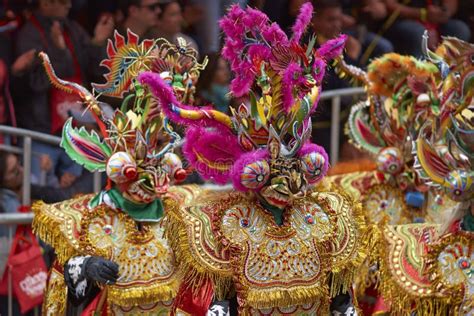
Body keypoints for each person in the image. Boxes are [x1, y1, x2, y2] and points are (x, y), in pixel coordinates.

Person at [141, 3, 369, 314]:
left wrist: (344, 308)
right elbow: (222, 296)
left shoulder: (327, 218)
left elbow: (340, 296)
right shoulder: (225, 224)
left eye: (296, 170)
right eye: (269, 172)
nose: (286, 183)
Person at [11, 0, 114, 187]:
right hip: (42, 130)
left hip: (75, 127)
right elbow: (37, 83)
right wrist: (58, 52)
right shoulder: (28, 35)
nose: (69, 5)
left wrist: (97, 42)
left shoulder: (73, 29)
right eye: (62, 1)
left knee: (81, 191)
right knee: (42, 192)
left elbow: (96, 72)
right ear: (44, 4)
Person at [384, 0, 471, 57]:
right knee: (419, 33)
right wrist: (423, 14)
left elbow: (451, 3)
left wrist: (445, 12)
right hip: (404, 19)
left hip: (434, 19)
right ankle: (420, 77)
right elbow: (389, 5)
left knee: (460, 29)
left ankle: (451, 77)